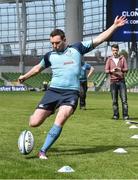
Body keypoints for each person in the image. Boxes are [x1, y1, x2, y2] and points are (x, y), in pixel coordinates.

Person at [18, 16, 127, 160]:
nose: (54, 46)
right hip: (53, 92)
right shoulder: (49, 55)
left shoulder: (77, 48)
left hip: (70, 94)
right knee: (34, 123)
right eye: (52, 43)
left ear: (64, 40)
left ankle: (43, 151)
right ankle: (47, 113)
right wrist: (25, 76)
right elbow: (38, 68)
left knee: (62, 117)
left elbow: (99, 39)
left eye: (57, 43)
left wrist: (114, 26)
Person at [105, 44, 129, 120]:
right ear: (111, 51)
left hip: (121, 81)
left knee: (124, 100)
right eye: (113, 50)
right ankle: (116, 115)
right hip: (113, 82)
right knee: (114, 100)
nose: (115, 52)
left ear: (118, 50)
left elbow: (126, 69)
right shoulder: (109, 59)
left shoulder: (122, 58)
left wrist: (120, 70)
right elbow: (106, 70)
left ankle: (125, 115)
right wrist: (111, 71)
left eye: (116, 50)